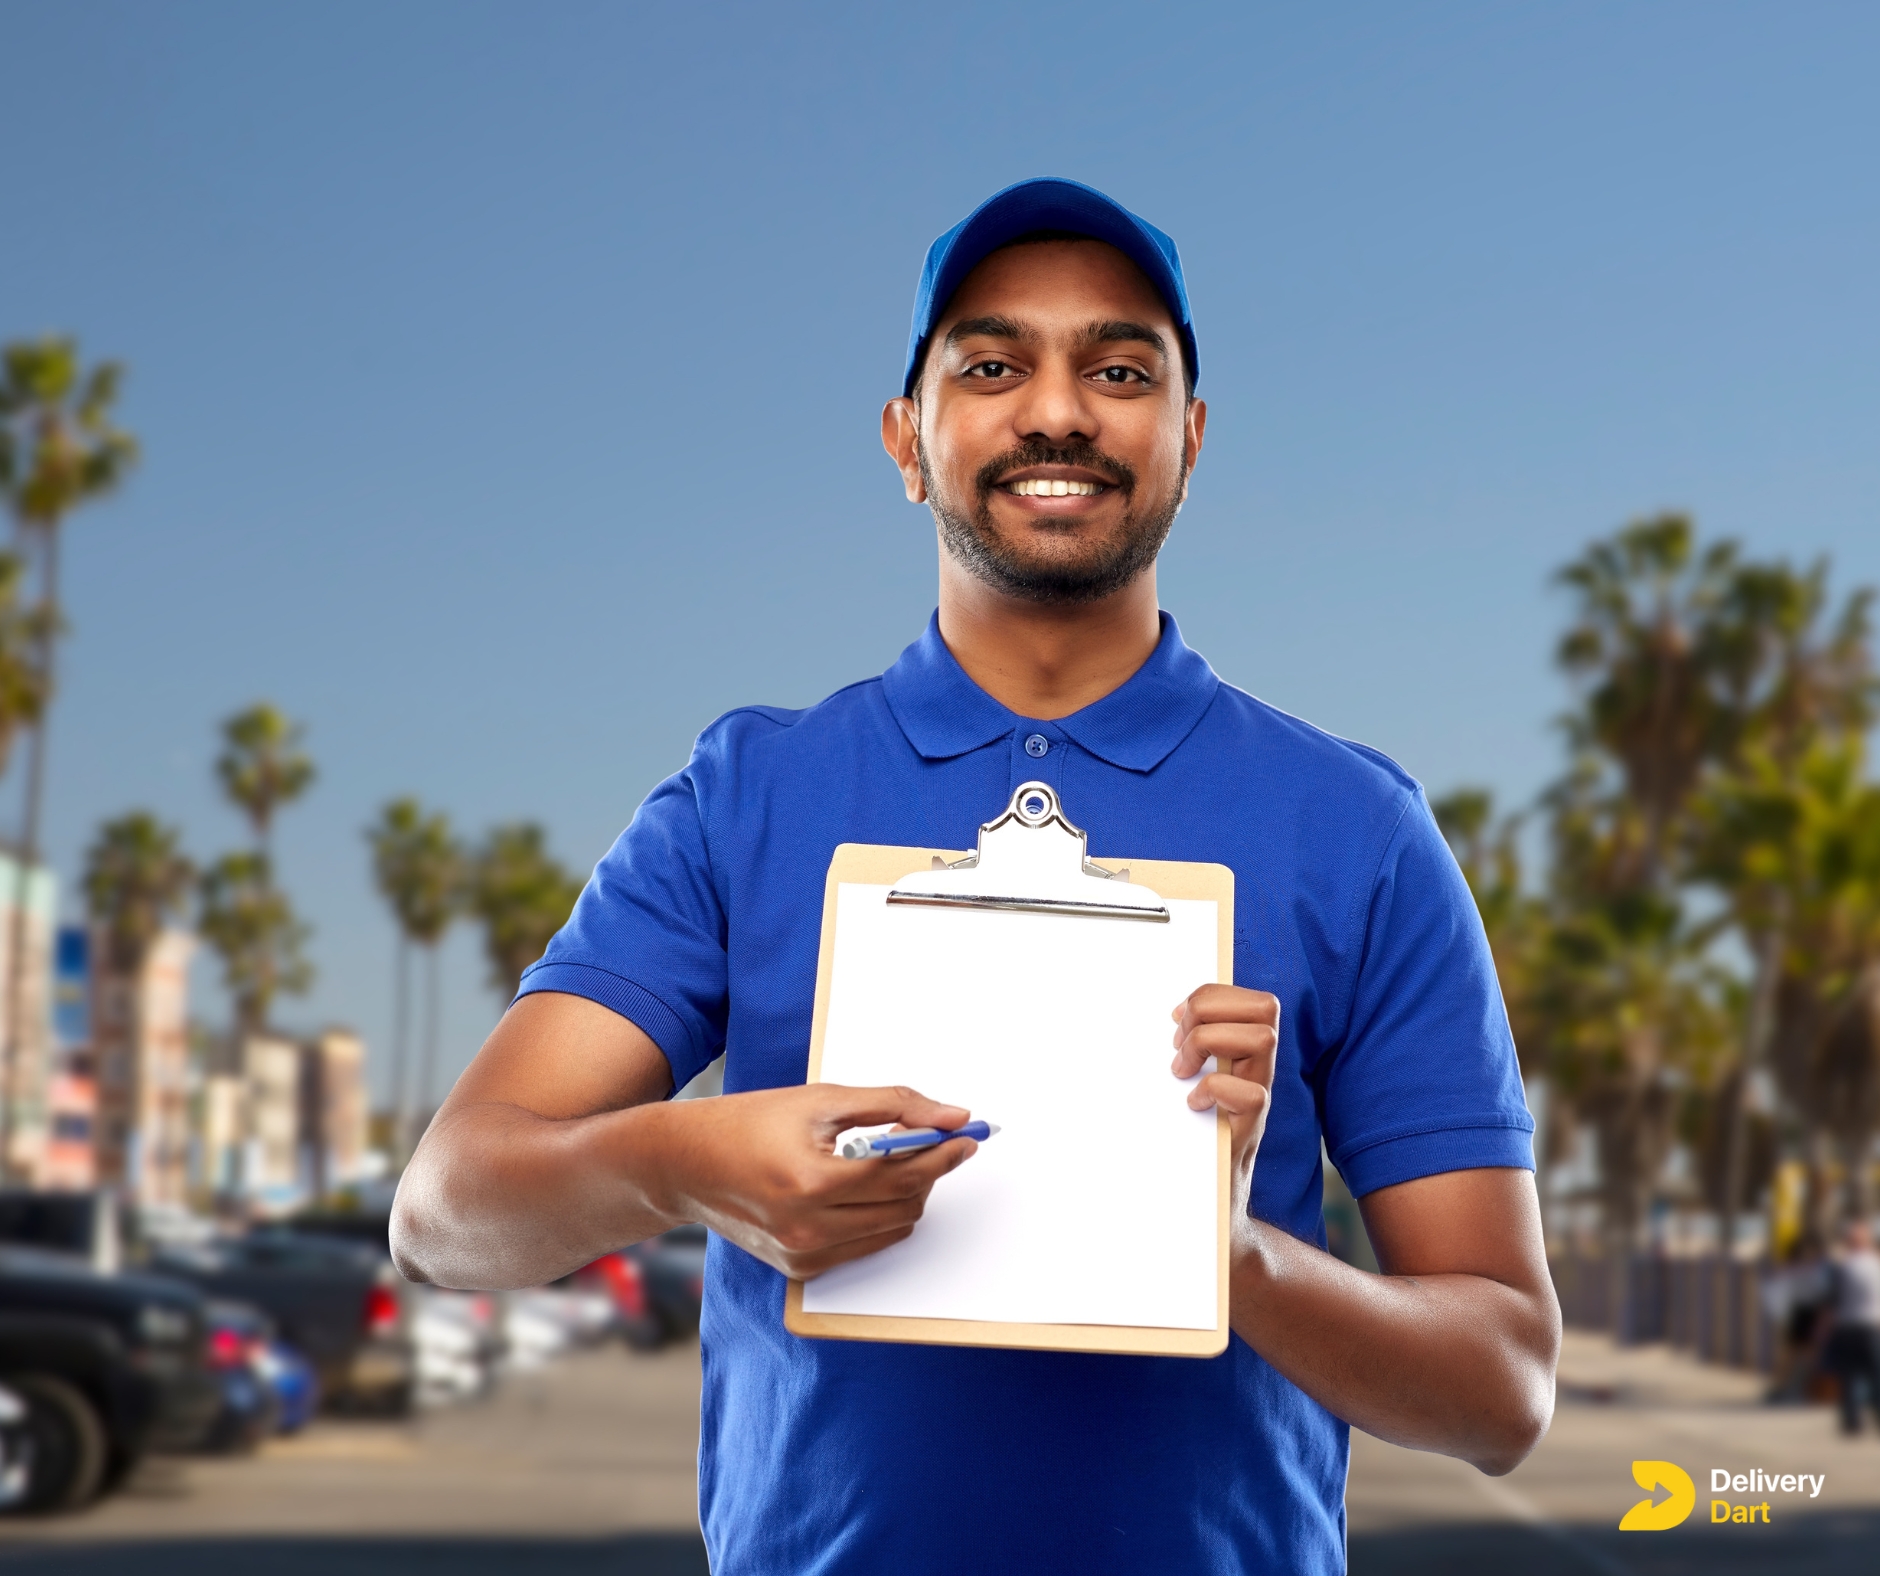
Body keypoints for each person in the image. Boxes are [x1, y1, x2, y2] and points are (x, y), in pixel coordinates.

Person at [392, 177, 1561, 1574]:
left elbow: (1504, 1387)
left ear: (1188, 438)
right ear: (908, 439)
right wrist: (681, 1166)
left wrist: (1225, 1258)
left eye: (1120, 369)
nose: (1057, 412)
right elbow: (445, 1214)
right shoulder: (749, 794)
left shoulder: (1355, 827)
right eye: (993, 365)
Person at [1824, 1219, 1880, 1435]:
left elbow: (1831, 1301)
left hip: (1848, 1326)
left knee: (1850, 1376)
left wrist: (1824, 1329)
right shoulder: (1875, 1264)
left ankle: (1852, 1421)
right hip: (1871, 1327)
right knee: (1876, 1375)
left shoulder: (1842, 1266)